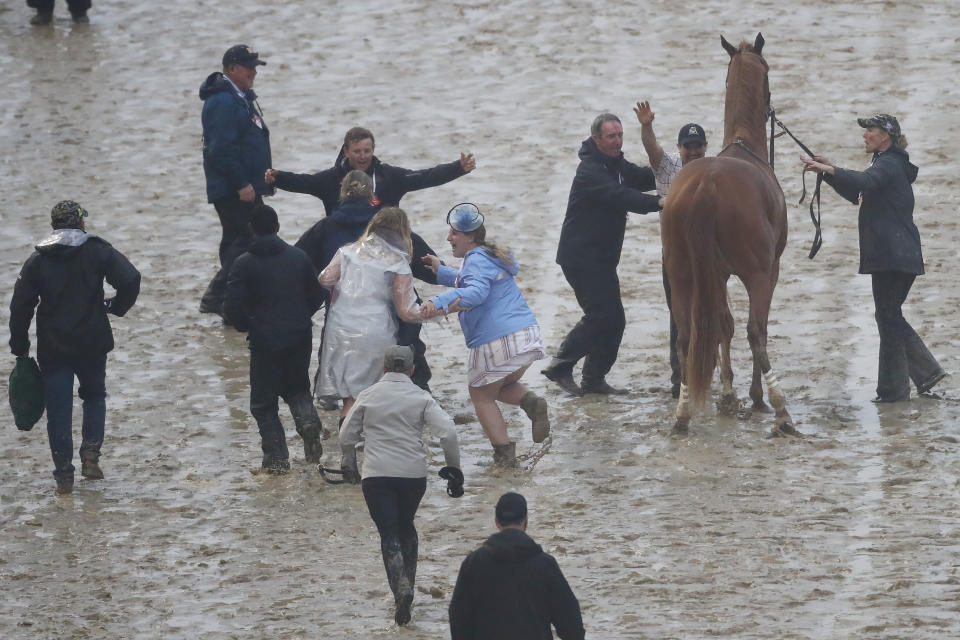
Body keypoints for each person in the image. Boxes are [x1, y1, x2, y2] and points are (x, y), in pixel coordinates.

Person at [801, 113, 945, 402]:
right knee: (888, 316)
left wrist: (830, 169)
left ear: (886, 137)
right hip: (896, 256)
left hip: (894, 257)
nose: (865, 135)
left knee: (888, 317)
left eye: (871, 130)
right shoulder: (887, 164)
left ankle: (897, 389)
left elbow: (865, 179)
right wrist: (826, 173)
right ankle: (919, 376)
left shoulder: (889, 164)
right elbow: (858, 191)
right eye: (866, 130)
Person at [9, 201, 140, 495]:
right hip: (92, 343)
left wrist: (20, 347)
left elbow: (20, 307)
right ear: (80, 223)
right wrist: (115, 307)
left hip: (54, 348)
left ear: (54, 225)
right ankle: (91, 455)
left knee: (58, 409)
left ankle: (63, 475)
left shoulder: (38, 259)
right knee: (94, 396)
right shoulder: (96, 249)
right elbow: (131, 278)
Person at [339, 345, 462, 626]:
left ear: (383, 368)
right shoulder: (421, 397)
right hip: (412, 476)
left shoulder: (367, 396)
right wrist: (454, 469)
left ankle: (401, 589)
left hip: (377, 476)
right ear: (412, 370)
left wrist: (350, 463)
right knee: (406, 524)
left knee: (388, 532)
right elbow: (449, 433)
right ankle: (410, 585)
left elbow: (346, 434)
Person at [544, 112, 663, 397]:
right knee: (601, 316)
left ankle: (594, 379)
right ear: (597, 139)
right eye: (611, 136)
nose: (617, 141)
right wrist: (660, 202)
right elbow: (621, 196)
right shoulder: (590, 170)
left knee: (614, 319)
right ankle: (561, 364)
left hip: (603, 259)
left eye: (620, 135)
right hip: (581, 259)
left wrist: (678, 167)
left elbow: (642, 177)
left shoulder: (617, 164)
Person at [422, 203, 549, 467]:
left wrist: (438, 302)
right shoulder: (488, 256)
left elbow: (476, 292)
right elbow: (473, 280)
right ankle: (531, 403)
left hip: (497, 339)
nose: (449, 238)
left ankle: (504, 457)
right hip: (524, 334)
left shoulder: (475, 259)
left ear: (470, 236)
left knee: (480, 394)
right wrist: (442, 270)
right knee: (500, 386)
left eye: (454, 233)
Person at [294, 171, 440, 393]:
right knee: (404, 377)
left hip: (343, 318)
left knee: (342, 386)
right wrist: (449, 290)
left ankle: (335, 413)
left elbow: (301, 265)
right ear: (372, 195)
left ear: (341, 193)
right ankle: (419, 406)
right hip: (390, 323)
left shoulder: (327, 230)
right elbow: (430, 271)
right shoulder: (393, 228)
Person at [223, 204, 325, 473]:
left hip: (264, 341)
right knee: (298, 389)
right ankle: (308, 420)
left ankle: (277, 461)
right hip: (299, 336)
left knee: (263, 403)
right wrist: (301, 317)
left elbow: (231, 308)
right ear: (278, 227)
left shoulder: (243, 264)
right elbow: (317, 294)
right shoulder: (299, 257)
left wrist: (250, 325)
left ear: (251, 229)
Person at [316, 207, 439, 421]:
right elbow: (407, 312)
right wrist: (434, 310)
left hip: (340, 329)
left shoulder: (347, 252)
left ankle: (349, 448)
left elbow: (325, 279)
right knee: (372, 396)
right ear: (403, 232)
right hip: (374, 331)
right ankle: (369, 445)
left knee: (350, 397)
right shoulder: (398, 263)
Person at [634, 101, 709, 398]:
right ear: (679, 147)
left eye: (698, 146)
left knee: (708, 312)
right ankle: (680, 377)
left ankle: (705, 372)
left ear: (706, 146)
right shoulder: (667, 167)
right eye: (688, 146)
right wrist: (646, 126)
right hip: (675, 257)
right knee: (678, 315)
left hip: (708, 256)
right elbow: (652, 150)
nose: (693, 151)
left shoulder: (713, 169)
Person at [198, 44, 273, 318]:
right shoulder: (222, 101)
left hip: (246, 186)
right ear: (231, 69)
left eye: (255, 66)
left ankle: (233, 303)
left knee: (235, 241)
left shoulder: (239, 96)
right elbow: (220, 149)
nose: (254, 71)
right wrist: (242, 183)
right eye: (249, 66)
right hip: (235, 189)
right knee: (249, 240)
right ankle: (217, 296)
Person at [449, 492, 585, 640]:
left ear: (496, 522)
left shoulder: (473, 563)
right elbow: (571, 623)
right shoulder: (545, 564)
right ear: (526, 521)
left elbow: (458, 617)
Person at [264, 126, 476, 217]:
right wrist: (278, 178)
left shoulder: (390, 176)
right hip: (344, 245)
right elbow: (304, 182)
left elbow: (425, 177)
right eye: (357, 151)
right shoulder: (330, 179)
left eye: (367, 151)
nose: (363, 156)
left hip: (386, 242)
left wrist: (458, 168)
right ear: (346, 151)